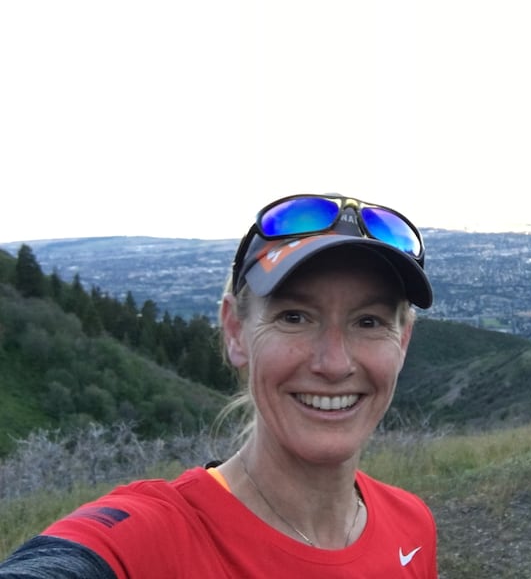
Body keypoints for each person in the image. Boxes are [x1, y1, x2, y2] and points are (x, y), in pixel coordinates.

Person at [0, 193, 438, 578]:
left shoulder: (412, 524)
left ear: (402, 340)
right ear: (234, 331)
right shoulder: (154, 538)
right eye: (294, 317)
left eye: (369, 321)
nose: (334, 363)